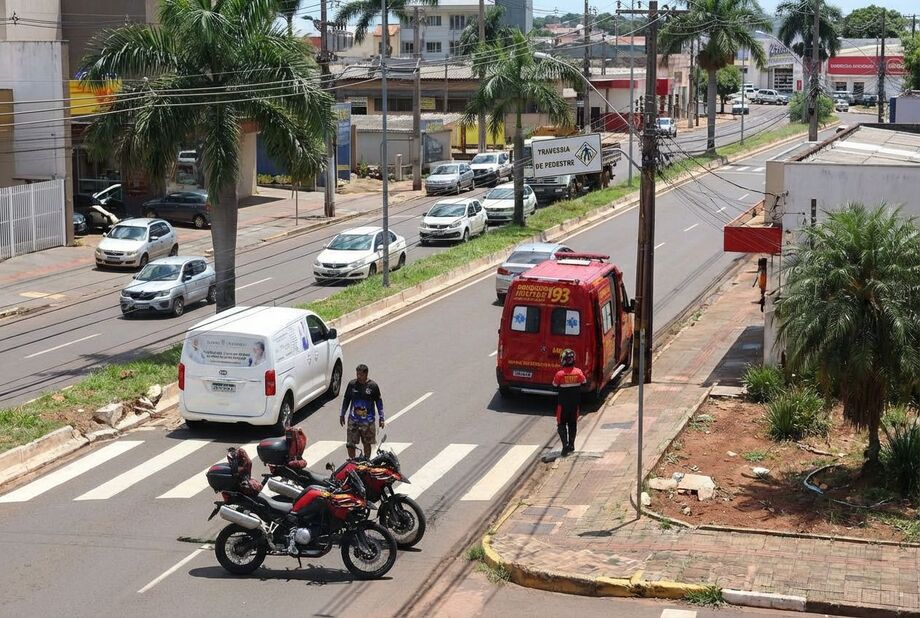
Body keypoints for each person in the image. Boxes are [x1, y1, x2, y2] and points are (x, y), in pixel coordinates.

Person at [340, 364, 384, 459]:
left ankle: (366, 462)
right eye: (357, 374)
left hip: (367, 422)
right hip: (353, 421)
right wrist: (342, 414)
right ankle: (352, 462)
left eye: (361, 375)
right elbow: (346, 400)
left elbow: (379, 403)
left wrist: (382, 418)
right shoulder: (352, 385)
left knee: (367, 444)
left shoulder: (373, 386)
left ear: (366, 374)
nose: (358, 377)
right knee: (350, 444)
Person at [552, 349, 586, 456]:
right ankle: (571, 445)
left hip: (563, 405)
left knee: (561, 425)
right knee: (573, 424)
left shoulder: (559, 374)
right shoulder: (579, 373)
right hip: (575, 405)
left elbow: (554, 385)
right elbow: (584, 382)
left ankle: (565, 446)